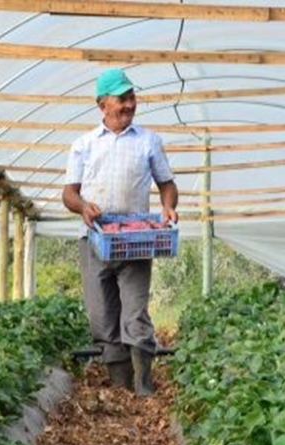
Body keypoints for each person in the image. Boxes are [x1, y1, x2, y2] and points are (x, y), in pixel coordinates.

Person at [62, 68, 178, 396]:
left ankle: (143, 386)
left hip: (135, 239)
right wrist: (83, 207)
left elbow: (167, 184)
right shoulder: (84, 145)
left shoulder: (148, 141)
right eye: (122, 99)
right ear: (103, 105)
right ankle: (120, 386)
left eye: (132, 97)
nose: (129, 105)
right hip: (96, 238)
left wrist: (168, 207)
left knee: (135, 312)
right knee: (101, 315)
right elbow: (69, 193)